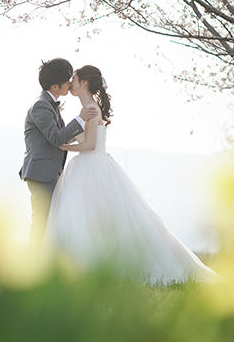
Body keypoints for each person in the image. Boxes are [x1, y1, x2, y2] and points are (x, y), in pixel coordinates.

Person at [44, 65, 219, 284]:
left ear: (84, 83)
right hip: (89, 166)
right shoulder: (87, 108)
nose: (71, 82)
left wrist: (63, 146)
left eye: (75, 78)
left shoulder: (91, 109)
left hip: (92, 166)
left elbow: (89, 144)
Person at [19, 58, 97, 252]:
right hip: (40, 173)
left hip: (49, 172)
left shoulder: (50, 104)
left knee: (49, 220)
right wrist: (80, 119)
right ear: (55, 86)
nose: (70, 83)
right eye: (67, 79)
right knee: (42, 220)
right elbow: (56, 138)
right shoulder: (41, 106)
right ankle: (33, 263)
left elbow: (60, 139)